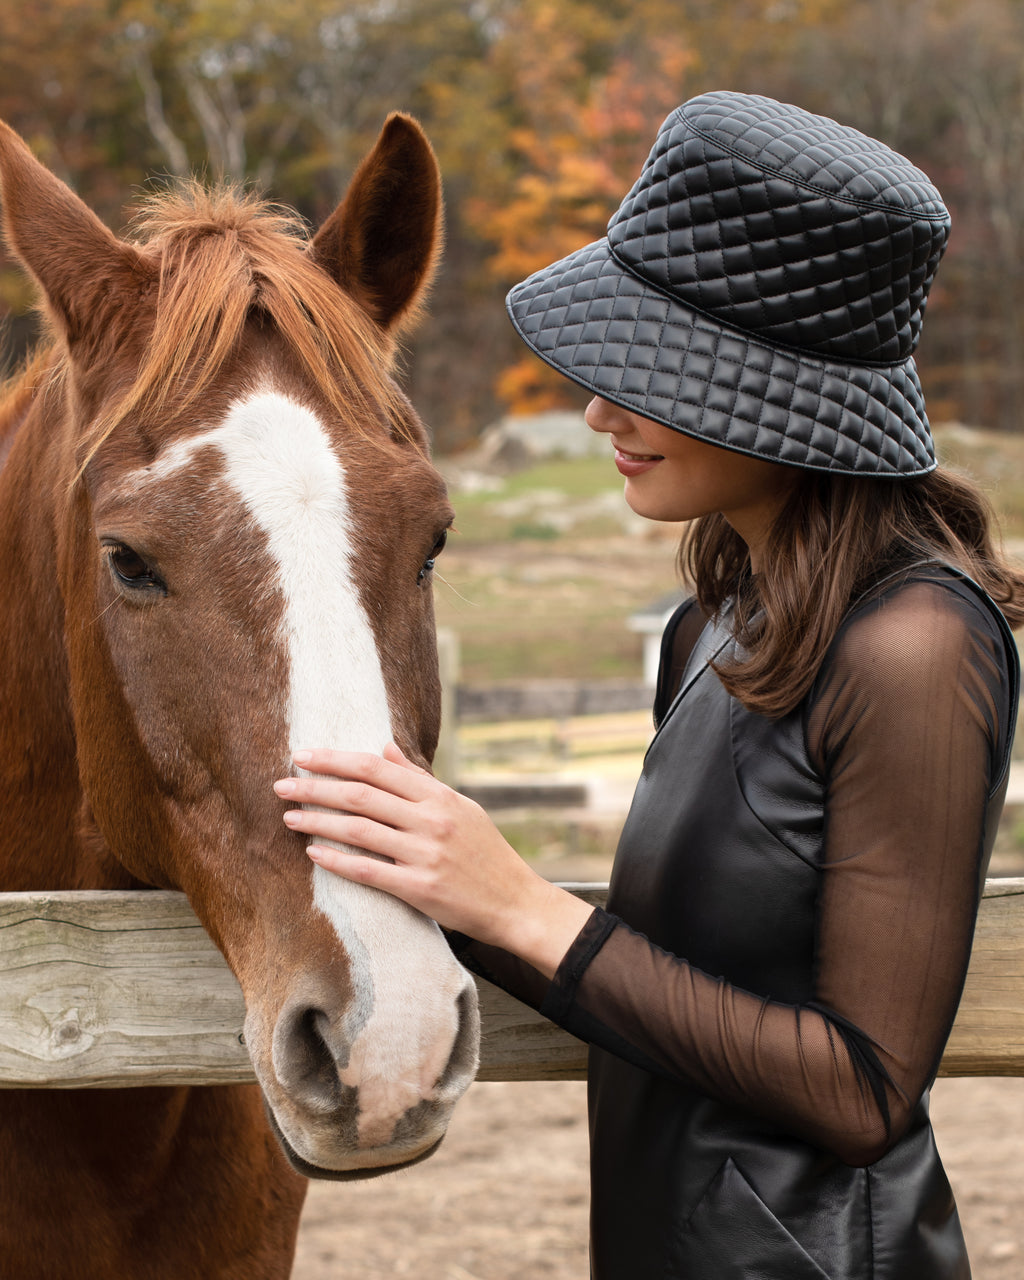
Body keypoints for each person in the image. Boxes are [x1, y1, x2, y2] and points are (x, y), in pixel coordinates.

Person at [273, 92, 1024, 1279]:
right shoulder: (712, 626)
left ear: (772, 387)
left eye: (650, 370)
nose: (598, 410)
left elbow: (864, 1086)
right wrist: (436, 882)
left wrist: (521, 907)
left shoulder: (916, 642)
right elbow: (657, 980)